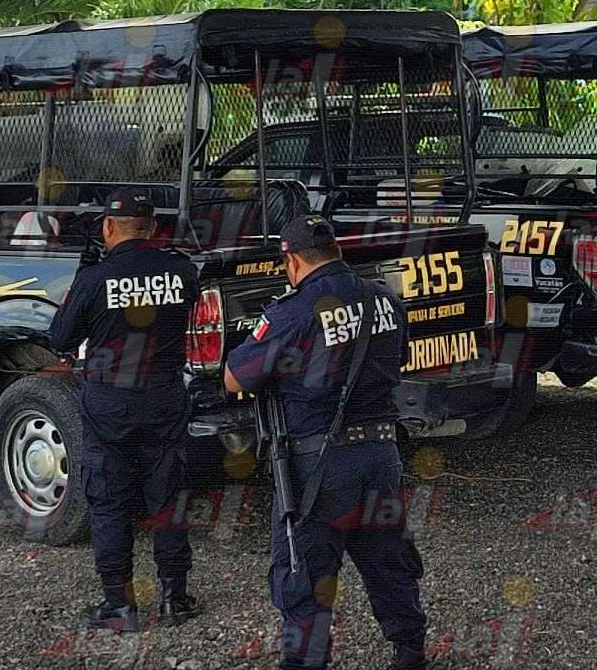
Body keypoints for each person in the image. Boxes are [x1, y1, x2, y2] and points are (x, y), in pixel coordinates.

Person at [224, 214, 426, 670]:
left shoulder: (292, 312)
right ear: (337, 250)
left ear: (292, 261)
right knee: (388, 560)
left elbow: (236, 377)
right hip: (381, 456)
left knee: (306, 573)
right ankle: (411, 649)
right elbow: (398, 360)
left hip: (318, 466)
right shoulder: (384, 299)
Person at [50, 188, 201, 633]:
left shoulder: (94, 278)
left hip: (109, 404)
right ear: (152, 228)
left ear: (108, 227)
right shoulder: (182, 271)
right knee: (169, 499)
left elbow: (59, 339)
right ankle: (175, 599)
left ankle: (120, 605)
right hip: (164, 398)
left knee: (109, 503)